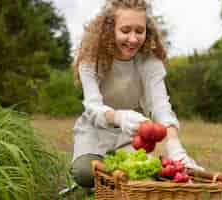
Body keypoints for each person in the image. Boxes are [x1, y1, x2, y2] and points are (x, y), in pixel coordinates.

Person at [70, 0, 204, 189]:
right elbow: (92, 107)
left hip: (133, 134)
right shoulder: (92, 59)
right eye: (125, 30)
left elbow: (160, 106)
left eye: (139, 31)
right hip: (95, 131)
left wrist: (174, 147)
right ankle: (97, 184)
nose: (133, 39)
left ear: (146, 32)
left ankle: (111, 186)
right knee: (85, 173)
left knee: (139, 178)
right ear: (110, 30)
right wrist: (119, 116)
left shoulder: (150, 61)